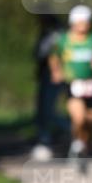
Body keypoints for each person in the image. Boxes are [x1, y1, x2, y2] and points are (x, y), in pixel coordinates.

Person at [49, 5, 92, 168]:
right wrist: (56, 72)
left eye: (86, 22)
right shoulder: (64, 40)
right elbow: (54, 57)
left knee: (90, 120)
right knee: (79, 117)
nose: (83, 25)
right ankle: (76, 143)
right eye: (80, 22)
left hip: (91, 84)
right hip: (72, 84)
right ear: (73, 23)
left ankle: (82, 147)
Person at [31, 13, 63, 161]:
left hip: (55, 78)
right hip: (45, 77)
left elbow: (48, 55)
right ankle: (45, 138)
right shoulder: (45, 33)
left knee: (49, 110)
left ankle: (66, 133)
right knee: (43, 109)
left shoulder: (57, 34)